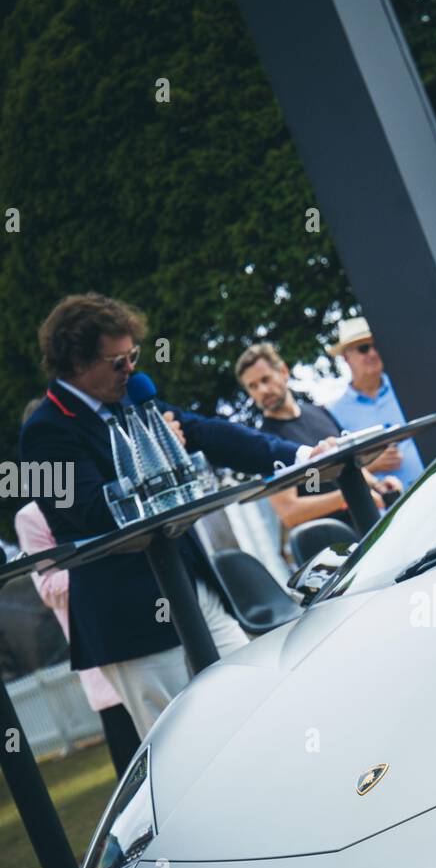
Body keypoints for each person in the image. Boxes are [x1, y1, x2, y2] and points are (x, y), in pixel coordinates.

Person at [19, 293, 335, 736]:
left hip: (191, 588)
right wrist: (155, 452)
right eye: (118, 360)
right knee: (186, 741)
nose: (130, 368)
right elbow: (89, 514)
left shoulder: (128, 398)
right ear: (76, 361)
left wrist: (302, 455)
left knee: (262, 709)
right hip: (129, 621)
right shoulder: (44, 432)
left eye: (134, 356)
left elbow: (208, 432)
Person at [15, 499, 140, 777]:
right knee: (137, 776)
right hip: (105, 661)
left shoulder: (104, 493)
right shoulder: (31, 517)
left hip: (152, 642)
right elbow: (48, 588)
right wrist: (106, 564)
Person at [235, 341, 401, 532]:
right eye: (253, 387)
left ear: (283, 372)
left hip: (371, 525)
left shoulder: (318, 412)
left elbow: (348, 463)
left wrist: (379, 484)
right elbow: (290, 512)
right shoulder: (268, 444)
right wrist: (350, 494)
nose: (262, 391)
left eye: (265, 380)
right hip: (334, 545)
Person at [326, 318, 423, 489]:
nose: (372, 353)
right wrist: (373, 465)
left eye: (375, 346)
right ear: (346, 357)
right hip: (393, 508)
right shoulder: (334, 413)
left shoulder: (410, 387)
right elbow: (339, 471)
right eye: (363, 348)